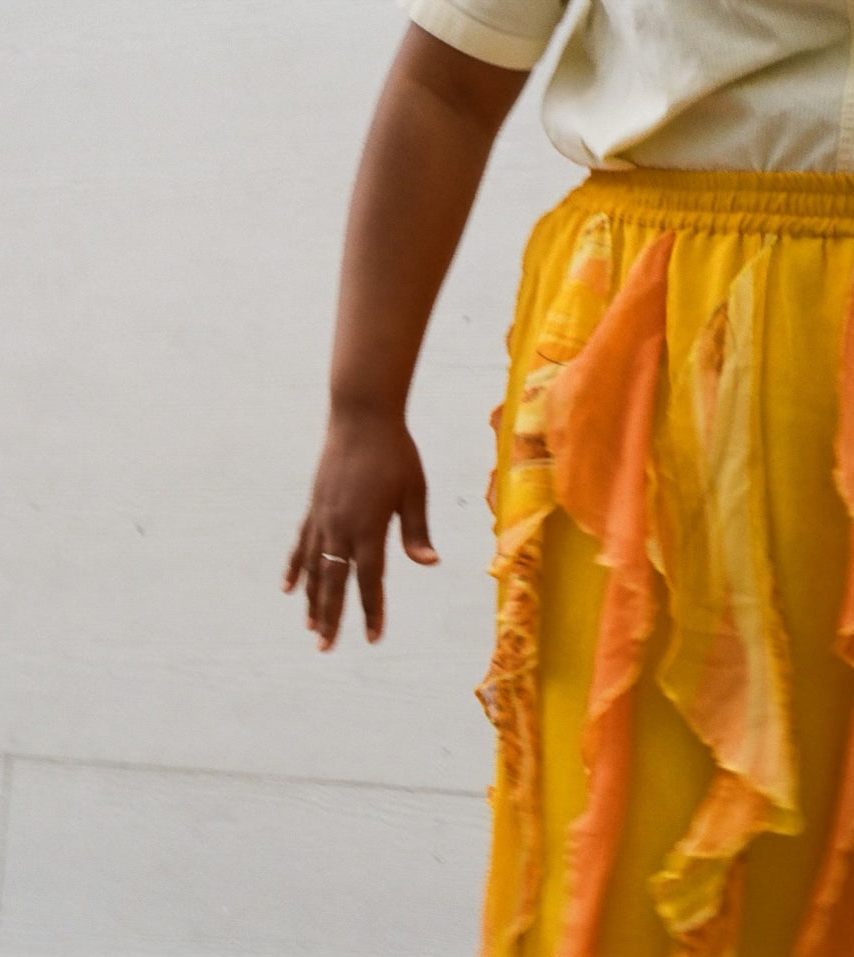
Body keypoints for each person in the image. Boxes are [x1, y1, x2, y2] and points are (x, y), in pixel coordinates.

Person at [281, 1, 854, 954]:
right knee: (662, 821)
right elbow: (447, 84)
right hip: (690, 336)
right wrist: (362, 405)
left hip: (712, 310)